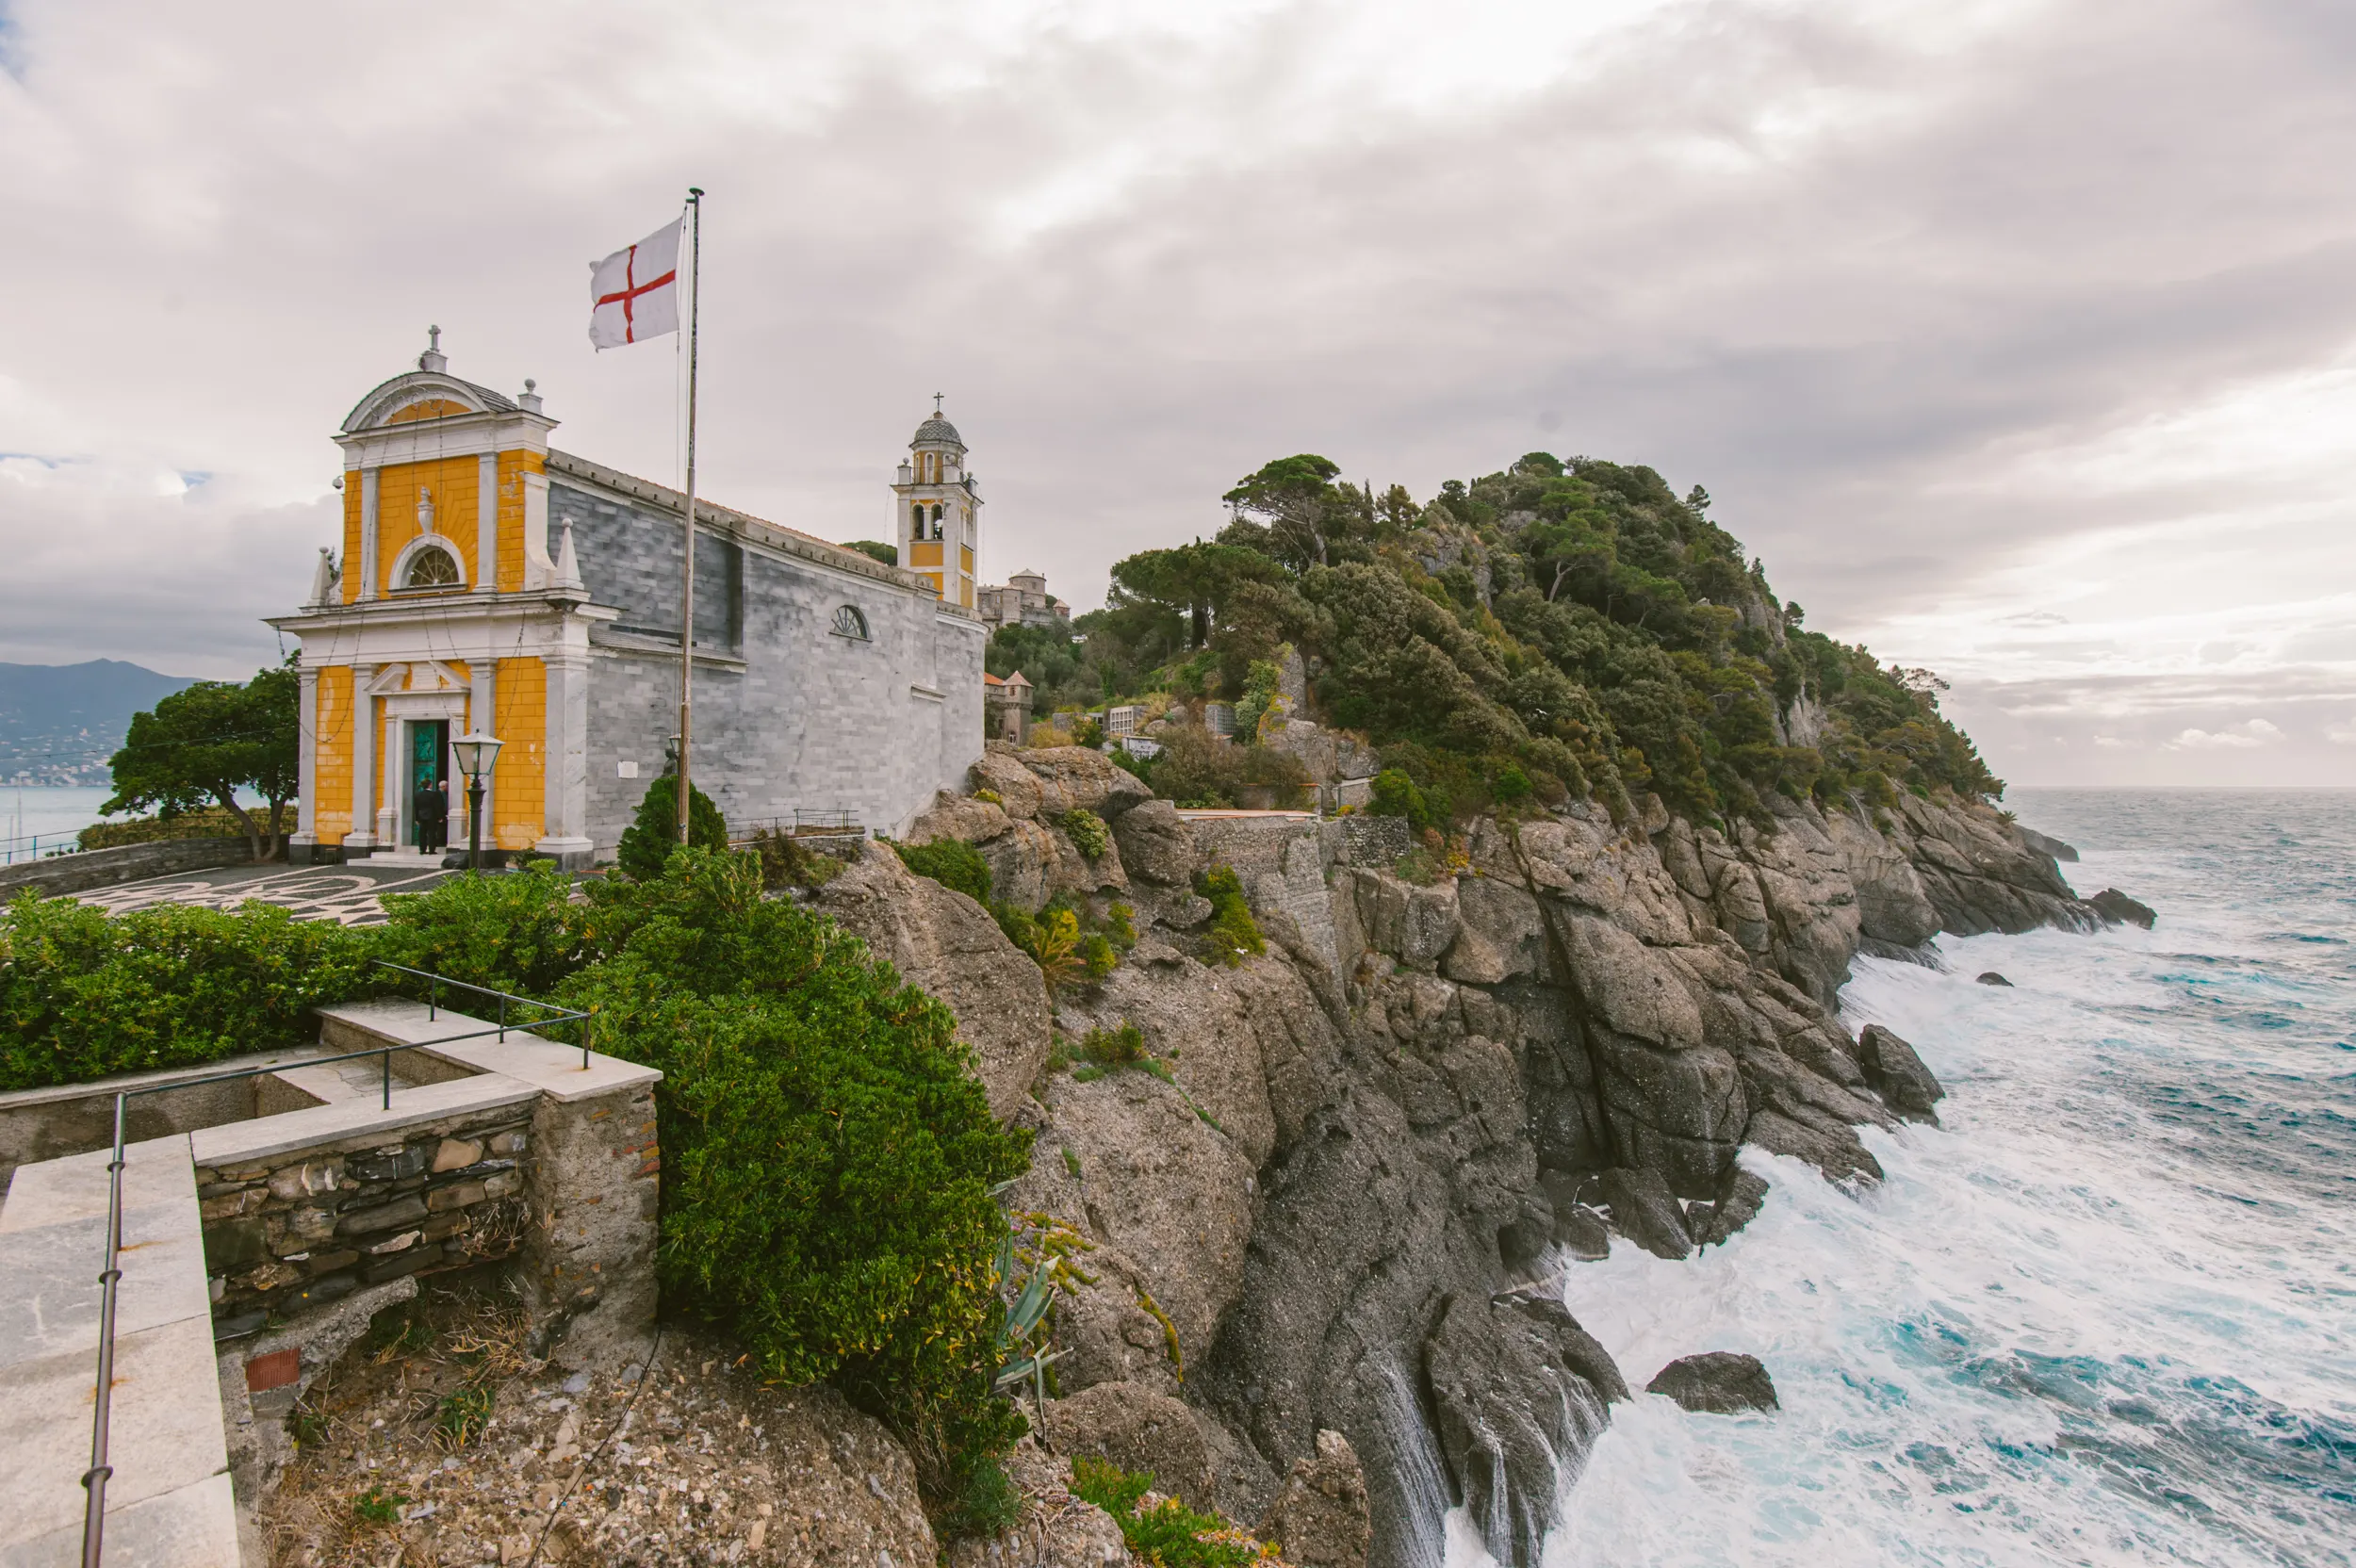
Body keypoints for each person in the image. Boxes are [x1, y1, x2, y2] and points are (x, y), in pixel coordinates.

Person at [416, 777, 449, 855]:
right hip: (432, 817)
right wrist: (440, 817)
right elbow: (437, 806)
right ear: (430, 785)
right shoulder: (434, 794)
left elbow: (416, 807)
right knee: (432, 833)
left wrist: (416, 818)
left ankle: (422, 850)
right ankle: (431, 850)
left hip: (421, 816)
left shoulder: (418, 794)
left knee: (422, 834)